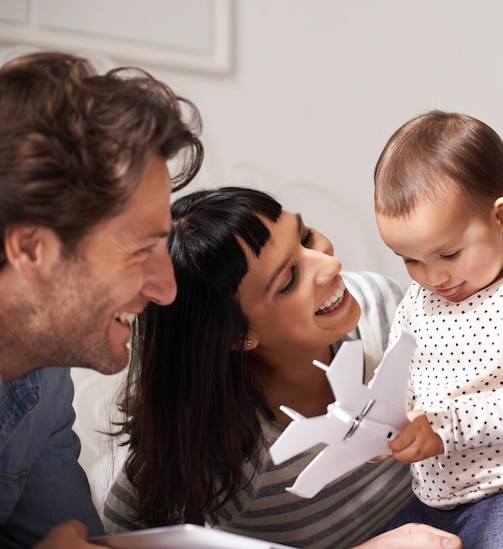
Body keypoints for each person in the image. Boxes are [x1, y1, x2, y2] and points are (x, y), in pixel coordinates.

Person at [102, 186, 463, 549]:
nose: (331, 265)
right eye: (289, 280)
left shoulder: (383, 305)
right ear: (238, 335)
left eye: (305, 236)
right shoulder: (210, 451)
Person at [0, 50, 203, 548]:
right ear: (29, 248)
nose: (167, 289)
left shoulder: (42, 368)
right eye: (140, 249)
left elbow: (69, 538)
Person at [373, 110, 503, 548]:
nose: (432, 277)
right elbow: (400, 386)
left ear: (502, 217)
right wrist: (382, 425)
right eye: (410, 259)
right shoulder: (418, 301)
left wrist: (445, 425)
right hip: (437, 497)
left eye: (448, 254)